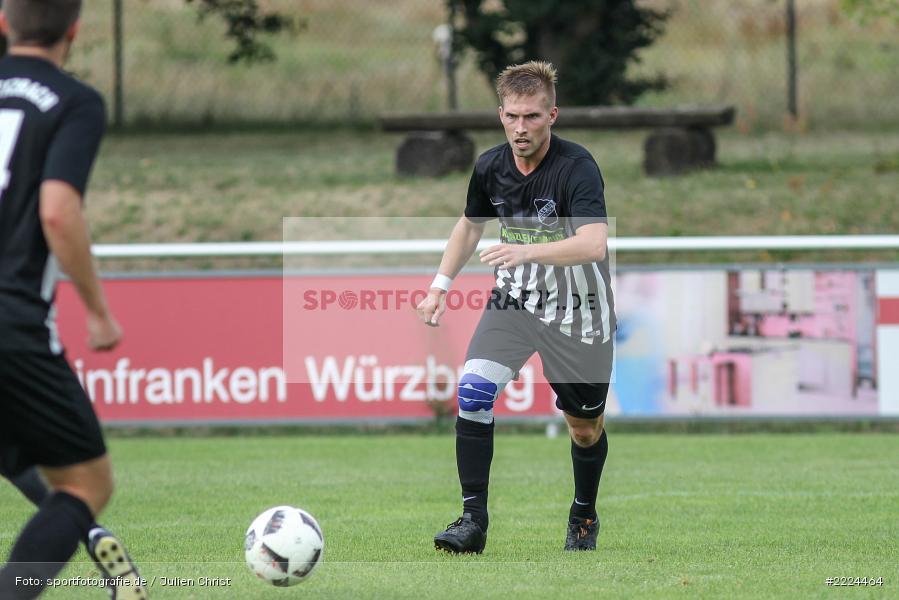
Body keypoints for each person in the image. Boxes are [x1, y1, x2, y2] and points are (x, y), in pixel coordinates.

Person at [416, 61, 616, 553]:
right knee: (474, 391)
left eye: (532, 117)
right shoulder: (489, 166)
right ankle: (472, 521)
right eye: (512, 117)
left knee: (584, 429)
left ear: (553, 115)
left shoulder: (577, 167)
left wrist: (526, 249)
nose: (521, 128)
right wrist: (441, 283)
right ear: (500, 114)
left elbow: (593, 244)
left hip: (578, 311)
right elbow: (469, 226)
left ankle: (584, 513)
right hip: (515, 300)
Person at [0, 1, 146, 598]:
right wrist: (98, 311)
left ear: (5, 22)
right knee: (84, 483)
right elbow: (58, 211)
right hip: (11, 319)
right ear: (76, 30)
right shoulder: (73, 100)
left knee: (14, 454)